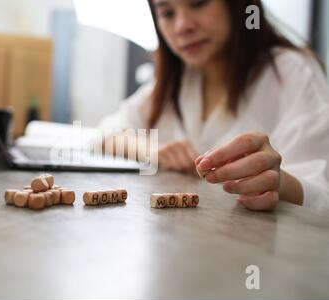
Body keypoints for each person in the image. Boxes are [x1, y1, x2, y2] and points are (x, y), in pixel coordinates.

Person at [99, 0, 329, 211]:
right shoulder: (177, 81)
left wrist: (277, 182)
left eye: (198, 3)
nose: (182, 26)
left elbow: (321, 193)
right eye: (167, 12)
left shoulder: (291, 72)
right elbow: (106, 133)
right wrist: (151, 150)